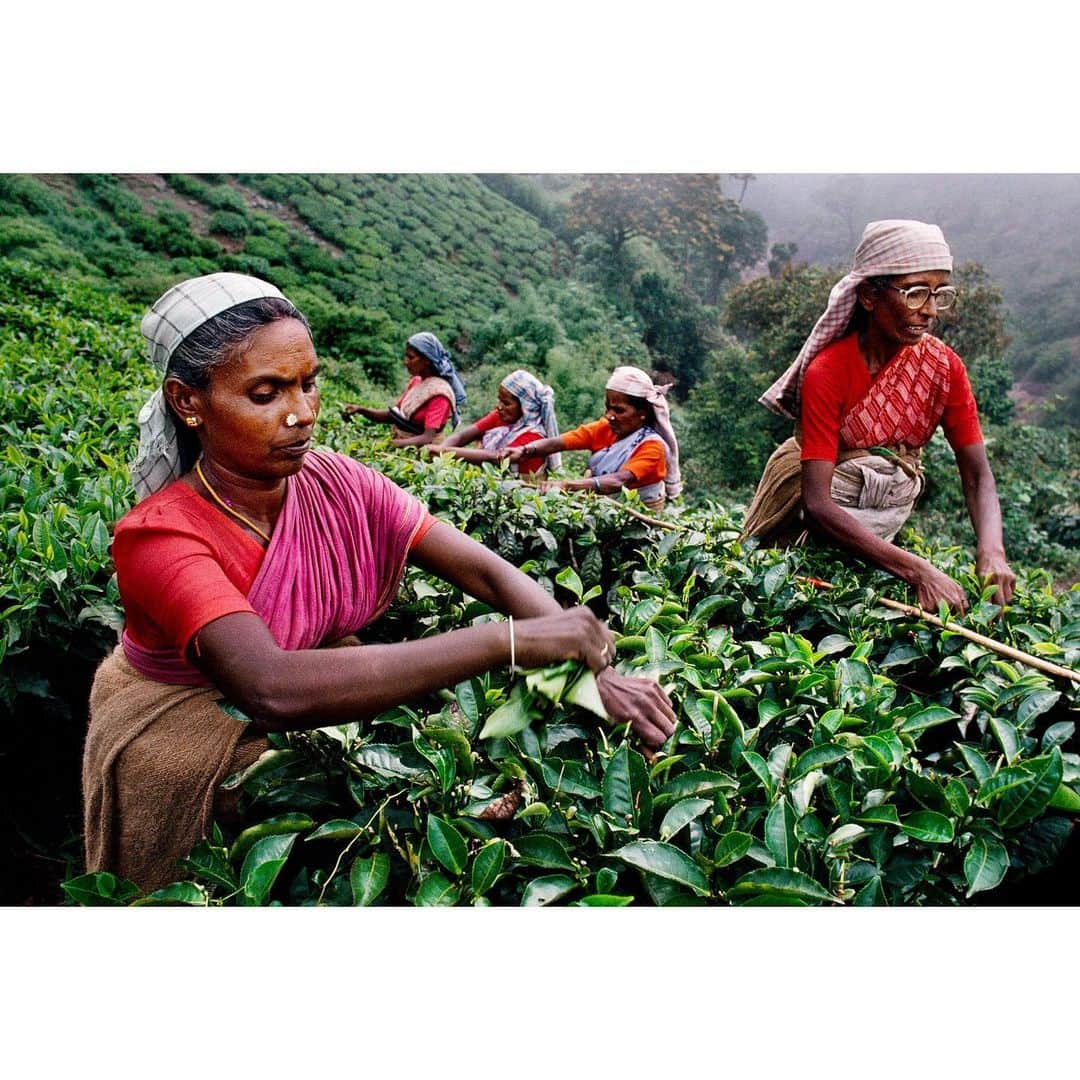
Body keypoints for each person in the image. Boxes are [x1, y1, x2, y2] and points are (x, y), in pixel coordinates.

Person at [82, 273, 676, 893]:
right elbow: (267, 686)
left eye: (309, 383)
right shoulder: (160, 536)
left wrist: (591, 671)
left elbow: (485, 571)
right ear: (187, 402)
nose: (302, 412)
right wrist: (512, 643)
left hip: (315, 696)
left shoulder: (338, 482)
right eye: (266, 394)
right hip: (182, 732)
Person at [741, 219, 1016, 613]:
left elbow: (977, 475)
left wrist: (992, 551)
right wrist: (919, 571)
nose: (930, 311)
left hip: (880, 526)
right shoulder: (829, 371)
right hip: (807, 527)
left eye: (940, 294)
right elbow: (817, 505)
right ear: (870, 294)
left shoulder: (943, 369)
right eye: (916, 293)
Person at [507, 366, 683, 510]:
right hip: (601, 510)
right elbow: (560, 442)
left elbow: (618, 481)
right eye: (608, 408)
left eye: (619, 410)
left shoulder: (653, 447)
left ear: (642, 414)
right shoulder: (605, 428)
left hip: (636, 519)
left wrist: (567, 485)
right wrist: (525, 450)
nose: (609, 416)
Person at [424, 368, 561, 477]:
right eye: (499, 400)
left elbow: (497, 457)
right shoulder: (500, 416)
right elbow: (462, 436)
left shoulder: (535, 436)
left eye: (506, 403)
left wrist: (443, 451)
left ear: (525, 407)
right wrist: (438, 454)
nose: (499, 406)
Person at [342, 331, 466, 447]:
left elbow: (427, 438)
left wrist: (392, 444)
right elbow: (394, 416)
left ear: (427, 360)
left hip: (422, 457)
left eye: (411, 358)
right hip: (400, 445)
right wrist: (361, 410)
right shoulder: (416, 381)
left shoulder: (440, 393)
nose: (406, 362)